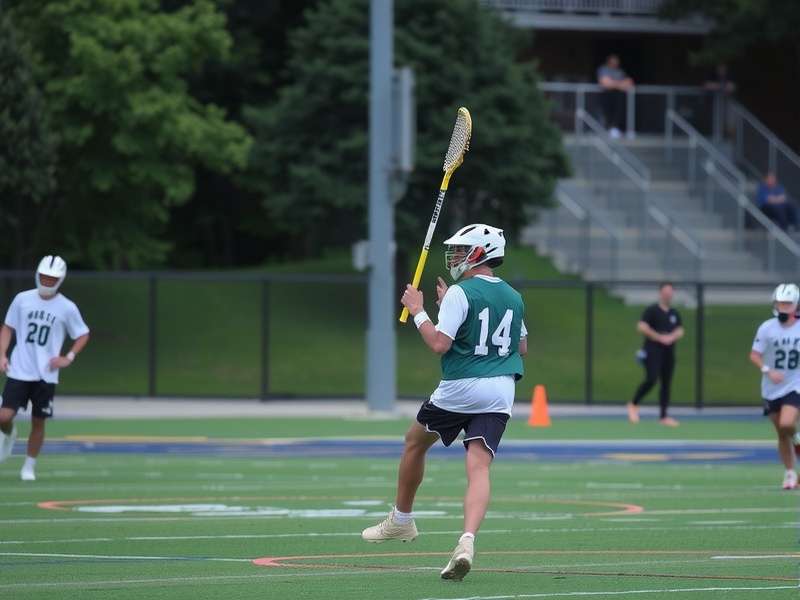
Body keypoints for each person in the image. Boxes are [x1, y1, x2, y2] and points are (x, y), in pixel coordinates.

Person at [360, 224, 527, 581]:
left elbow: (439, 343)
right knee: (478, 466)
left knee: (414, 442)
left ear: (478, 253)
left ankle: (402, 520)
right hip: (501, 390)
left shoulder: (461, 293)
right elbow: (522, 346)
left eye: (461, 249)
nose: (453, 255)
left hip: (462, 387)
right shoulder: (514, 296)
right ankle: (466, 541)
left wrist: (418, 310)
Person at [0, 256, 90, 481]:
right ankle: (9, 435)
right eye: (44, 277)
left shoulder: (67, 307)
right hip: (20, 369)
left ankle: (29, 466)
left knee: (38, 421)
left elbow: (82, 334)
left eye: (52, 279)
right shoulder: (22, 299)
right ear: (37, 275)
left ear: (60, 280)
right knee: (4, 416)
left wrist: (68, 357)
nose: (47, 282)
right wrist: (2, 354)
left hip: (46, 375)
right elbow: (8, 327)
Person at [749, 283, 800, 490]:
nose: (783, 307)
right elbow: (754, 355)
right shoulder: (767, 327)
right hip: (771, 387)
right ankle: (789, 473)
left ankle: (797, 438)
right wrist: (767, 370)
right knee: (780, 432)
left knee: (787, 424)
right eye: (780, 303)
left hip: (795, 384)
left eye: (787, 303)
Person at [627, 282, 684, 427]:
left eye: (670, 292)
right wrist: (658, 337)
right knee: (652, 378)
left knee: (666, 383)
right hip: (652, 351)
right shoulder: (652, 310)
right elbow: (641, 326)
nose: (668, 294)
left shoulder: (674, 313)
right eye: (665, 292)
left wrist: (671, 337)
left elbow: (680, 330)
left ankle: (663, 416)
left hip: (668, 352)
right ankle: (633, 404)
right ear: (660, 293)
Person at [596, 54, 635, 139]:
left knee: (619, 111)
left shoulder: (620, 71)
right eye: (612, 63)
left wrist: (613, 83)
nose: (614, 65)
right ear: (609, 62)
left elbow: (629, 83)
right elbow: (605, 83)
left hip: (618, 99)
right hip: (605, 97)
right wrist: (619, 84)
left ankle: (616, 129)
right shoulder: (603, 69)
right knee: (606, 114)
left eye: (616, 63)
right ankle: (608, 129)